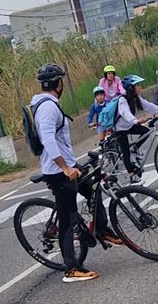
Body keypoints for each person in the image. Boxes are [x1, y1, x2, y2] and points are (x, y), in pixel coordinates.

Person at [30, 62, 122, 283]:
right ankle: (71, 268)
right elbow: (48, 139)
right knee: (68, 218)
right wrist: (64, 168)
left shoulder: (48, 103)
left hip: (69, 165)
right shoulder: (48, 107)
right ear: (58, 83)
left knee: (93, 187)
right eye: (61, 80)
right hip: (58, 171)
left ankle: (102, 229)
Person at [98, 73, 158, 183]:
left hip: (129, 125)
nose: (140, 87)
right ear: (131, 88)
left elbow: (148, 106)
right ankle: (132, 176)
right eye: (137, 85)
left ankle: (135, 147)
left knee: (145, 131)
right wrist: (136, 121)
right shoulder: (122, 100)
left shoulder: (136, 98)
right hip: (120, 129)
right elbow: (125, 113)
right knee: (125, 152)